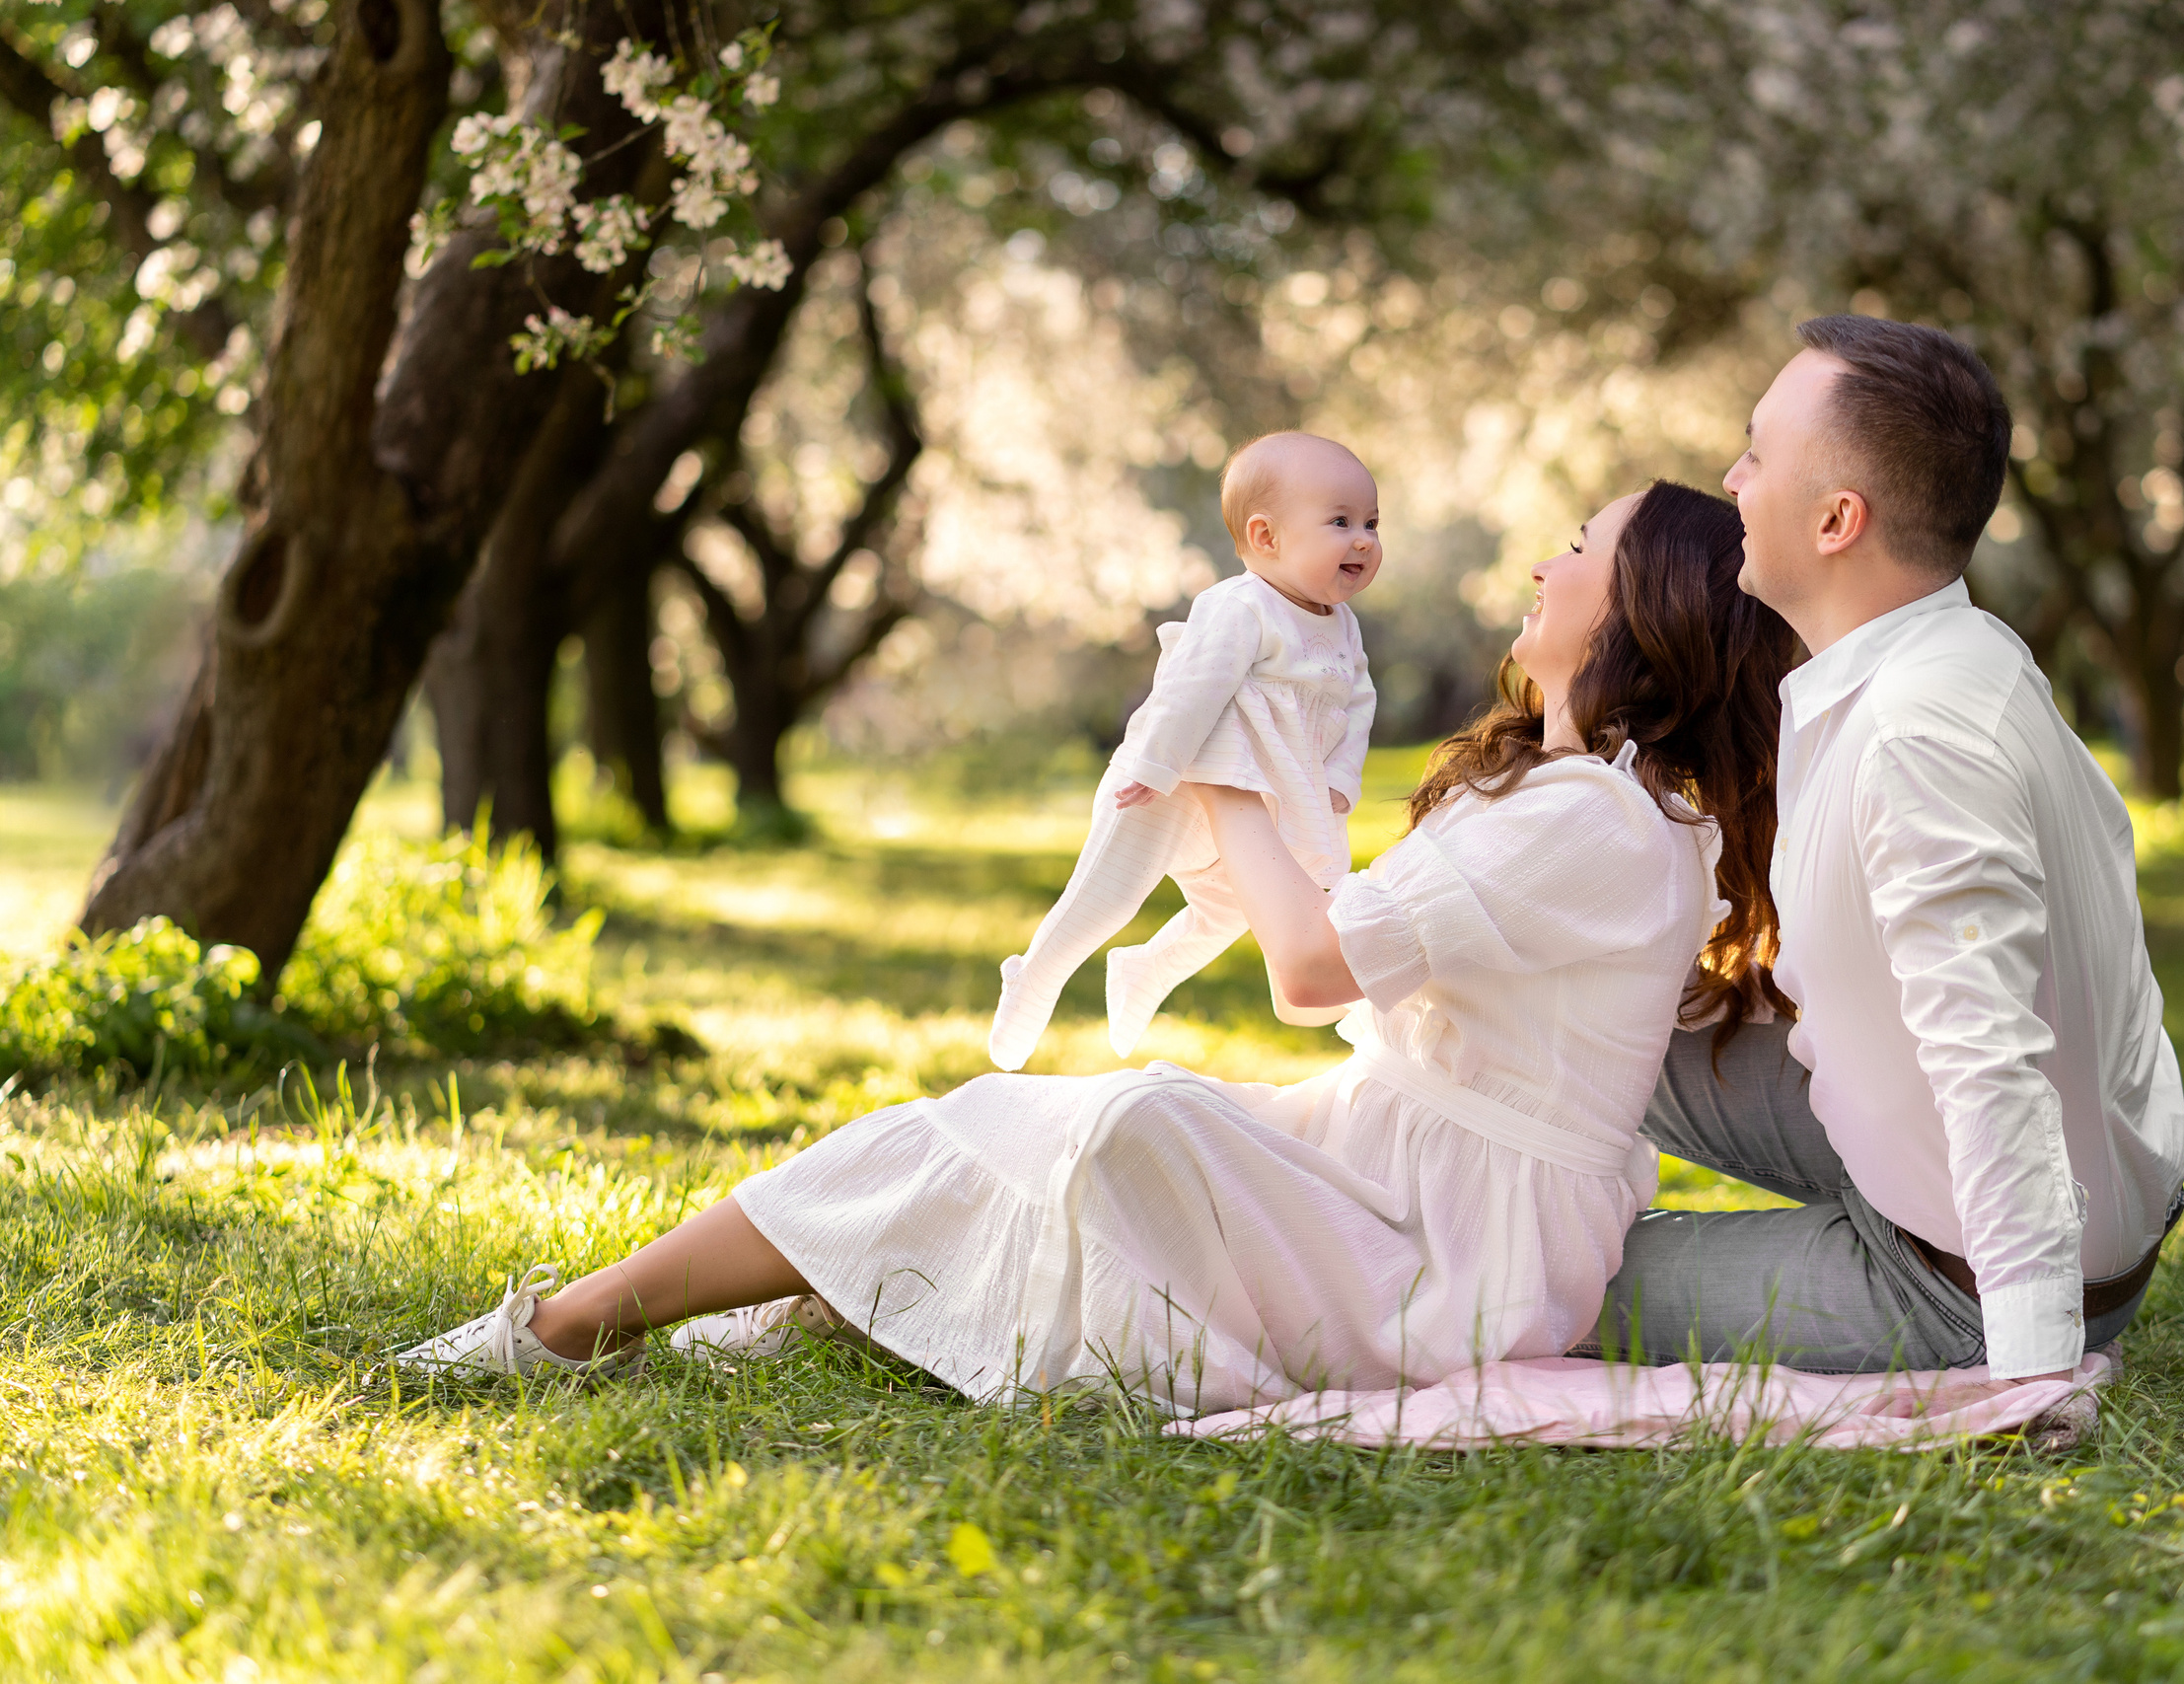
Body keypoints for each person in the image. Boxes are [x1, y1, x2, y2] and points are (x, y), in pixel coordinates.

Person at [397, 481, 1796, 1417]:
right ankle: (687, 1301)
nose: (1547, 562)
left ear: (1640, 610)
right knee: (1040, 1132)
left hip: (1449, 1250)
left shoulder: (1597, 820)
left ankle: (578, 1320)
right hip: (1403, 1177)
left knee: (1115, 1118)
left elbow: (1309, 975)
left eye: (1581, 548)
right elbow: (1336, 942)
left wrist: (1232, 766)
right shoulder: (1591, 805)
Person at [1591, 317, 2184, 1393]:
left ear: (1836, 519)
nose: (1730, 478)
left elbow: (1985, 1055)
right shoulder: (1950, 656)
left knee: (1522, 1281)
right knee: (1583, 1026)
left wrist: (2031, 1367)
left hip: (1953, 1274)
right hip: (1967, 1164)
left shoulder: (1919, 735)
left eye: (1757, 454)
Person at [988, 431, 1381, 1070]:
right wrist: (1153, 763)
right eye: (1340, 521)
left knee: (1229, 910)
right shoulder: (1239, 606)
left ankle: (1147, 968)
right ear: (1265, 537)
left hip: (1266, 794)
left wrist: (1340, 775)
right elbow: (1191, 688)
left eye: (1371, 522)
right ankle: (1037, 973)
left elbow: (1359, 701)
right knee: (1110, 891)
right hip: (1174, 778)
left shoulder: (1342, 627)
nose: (1363, 539)